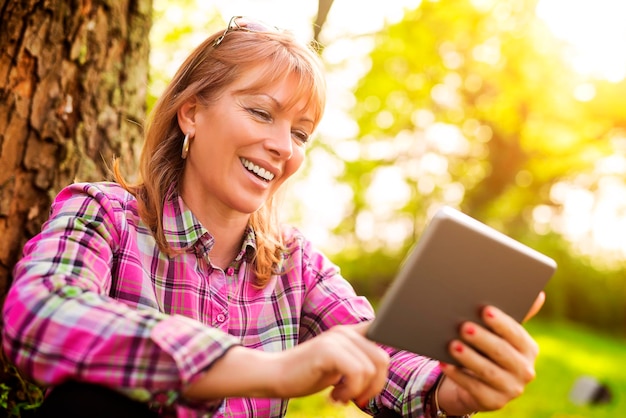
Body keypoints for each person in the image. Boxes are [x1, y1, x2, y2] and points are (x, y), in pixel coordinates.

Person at [2, 16, 544, 418]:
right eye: (261, 112)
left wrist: (455, 389)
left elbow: (376, 352)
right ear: (191, 112)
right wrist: (263, 370)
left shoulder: (294, 263)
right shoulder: (106, 214)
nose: (283, 146)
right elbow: (38, 313)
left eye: (301, 133)